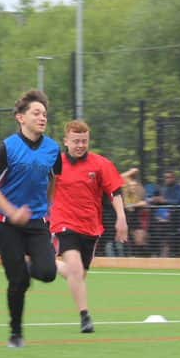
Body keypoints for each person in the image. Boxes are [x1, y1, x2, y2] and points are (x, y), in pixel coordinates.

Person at [0, 90, 60, 348]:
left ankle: (27, 268)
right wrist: (12, 212)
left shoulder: (53, 149)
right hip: (5, 222)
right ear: (20, 118)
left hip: (36, 221)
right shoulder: (8, 148)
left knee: (48, 273)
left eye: (44, 114)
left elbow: (54, 179)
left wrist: (48, 207)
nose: (42, 118)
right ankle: (16, 333)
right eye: (36, 113)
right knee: (17, 282)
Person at [49, 119, 126, 334]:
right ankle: (85, 317)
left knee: (78, 275)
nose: (80, 145)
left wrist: (122, 217)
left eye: (84, 141)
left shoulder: (101, 164)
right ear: (66, 141)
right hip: (64, 223)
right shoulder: (55, 164)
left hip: (91, 227)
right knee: (75, 269)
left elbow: (115, 191)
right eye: (76, 141)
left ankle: (48, 262)